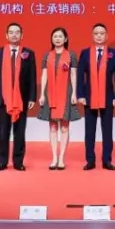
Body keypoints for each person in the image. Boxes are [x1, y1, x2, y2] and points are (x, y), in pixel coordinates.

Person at [76, 23, 115, 170]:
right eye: (96, 33)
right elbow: (80, 76)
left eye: (102, 33)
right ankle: (90, 160)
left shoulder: (113, 53)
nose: (99, 36)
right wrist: (80, 95)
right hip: (89, 97)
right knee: (89, 131)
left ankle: (107, 160)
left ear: (106, 36)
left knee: (107, 131)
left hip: (108, 97)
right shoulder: (85, 53)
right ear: (92, 36)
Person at [0, 22, 37, 171]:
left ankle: (18, 162)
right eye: (11, 32)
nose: (14, 35)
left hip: (21, 98)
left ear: (22, 35)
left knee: (20, 132)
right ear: (6, 35)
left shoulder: (28, 53)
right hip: (3, 98)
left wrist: (32, 97)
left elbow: (32, 77)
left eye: (17, 32)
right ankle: (2, 162)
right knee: (3, 131)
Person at [38, 27, 81, 170]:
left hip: (66, 93)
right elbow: (44, 75)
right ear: (52, 39)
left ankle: (61, 158)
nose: (57, 39)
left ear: (65, 39)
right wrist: (42, 94)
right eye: (55, 36)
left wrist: (74, 93)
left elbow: (73, 75)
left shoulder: (71, 55)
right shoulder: (47, 55)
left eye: (60, 36)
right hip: (50, 93)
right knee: (52, 127)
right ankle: (54, 158)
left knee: (64, 127)